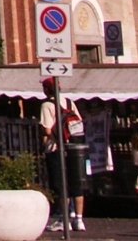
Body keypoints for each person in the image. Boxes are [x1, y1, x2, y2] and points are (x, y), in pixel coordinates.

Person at [39, 78, 86, 231]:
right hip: (73, 148)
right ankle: (79, 220)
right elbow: (79, 123)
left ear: (46, 90)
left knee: (60, 185)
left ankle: (62, 219)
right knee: (76, 183)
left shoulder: (46, 105)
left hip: (55, 148)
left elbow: (46, 129)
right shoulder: (70, 103)